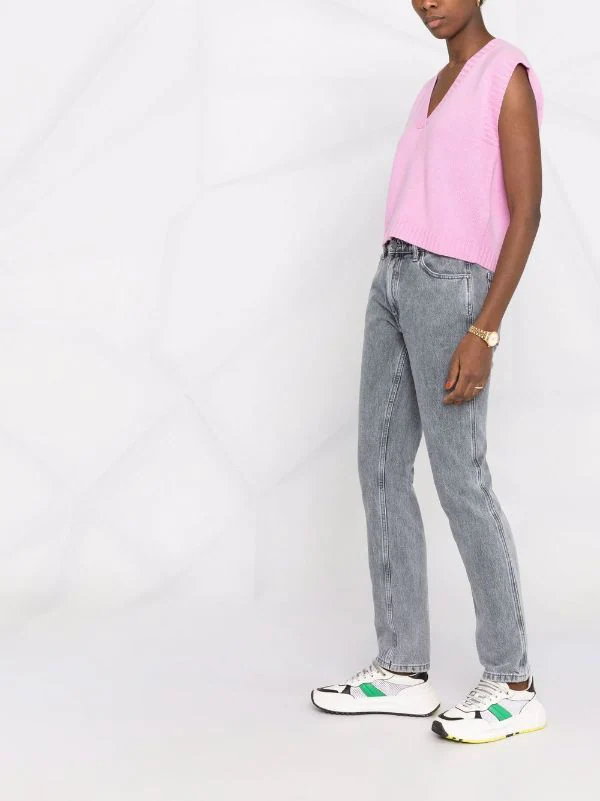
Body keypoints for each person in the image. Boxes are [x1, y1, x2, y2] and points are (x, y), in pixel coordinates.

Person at [310, 0, 547, 744]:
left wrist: (484, 329)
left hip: (453, 288)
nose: (427, 1)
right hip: (394, 274)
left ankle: (513, 682)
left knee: (459, 478)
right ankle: (402, 668)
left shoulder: (505, 74)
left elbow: (527, 211)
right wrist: (393, 277)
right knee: (379, 465)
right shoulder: (431, 88)